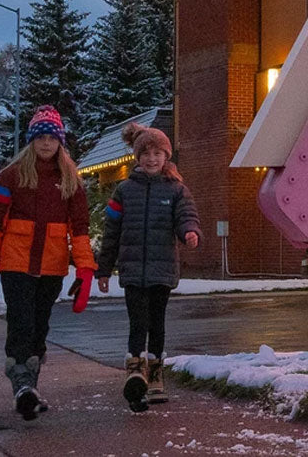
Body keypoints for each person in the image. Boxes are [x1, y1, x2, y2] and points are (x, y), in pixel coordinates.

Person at [0, 105, 95, 420]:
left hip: (51, 267)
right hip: (16, 265)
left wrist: (85, 270)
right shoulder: (11, 176)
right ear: (31, 140)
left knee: (39, 329)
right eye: (40, 137)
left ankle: (30, 389)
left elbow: (80, 230)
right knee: (21, 325)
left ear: (60, 142)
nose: (46, 144)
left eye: (52, 138)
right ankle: (22, 386)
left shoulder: (71, 180)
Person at [95, 122, 200, 412]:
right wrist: (103, 269)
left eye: (157, 153)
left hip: (162, 269)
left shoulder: (177, 190)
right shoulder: (124, 191)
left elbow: (186, 216)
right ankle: (134, 371)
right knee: (137, 322)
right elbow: (111, 232)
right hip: (131, 270)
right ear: (137, 157)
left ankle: (155, 374)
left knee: (157, 322)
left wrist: (190, 232)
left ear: (166, 156)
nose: (151, 159)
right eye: (146, 153)